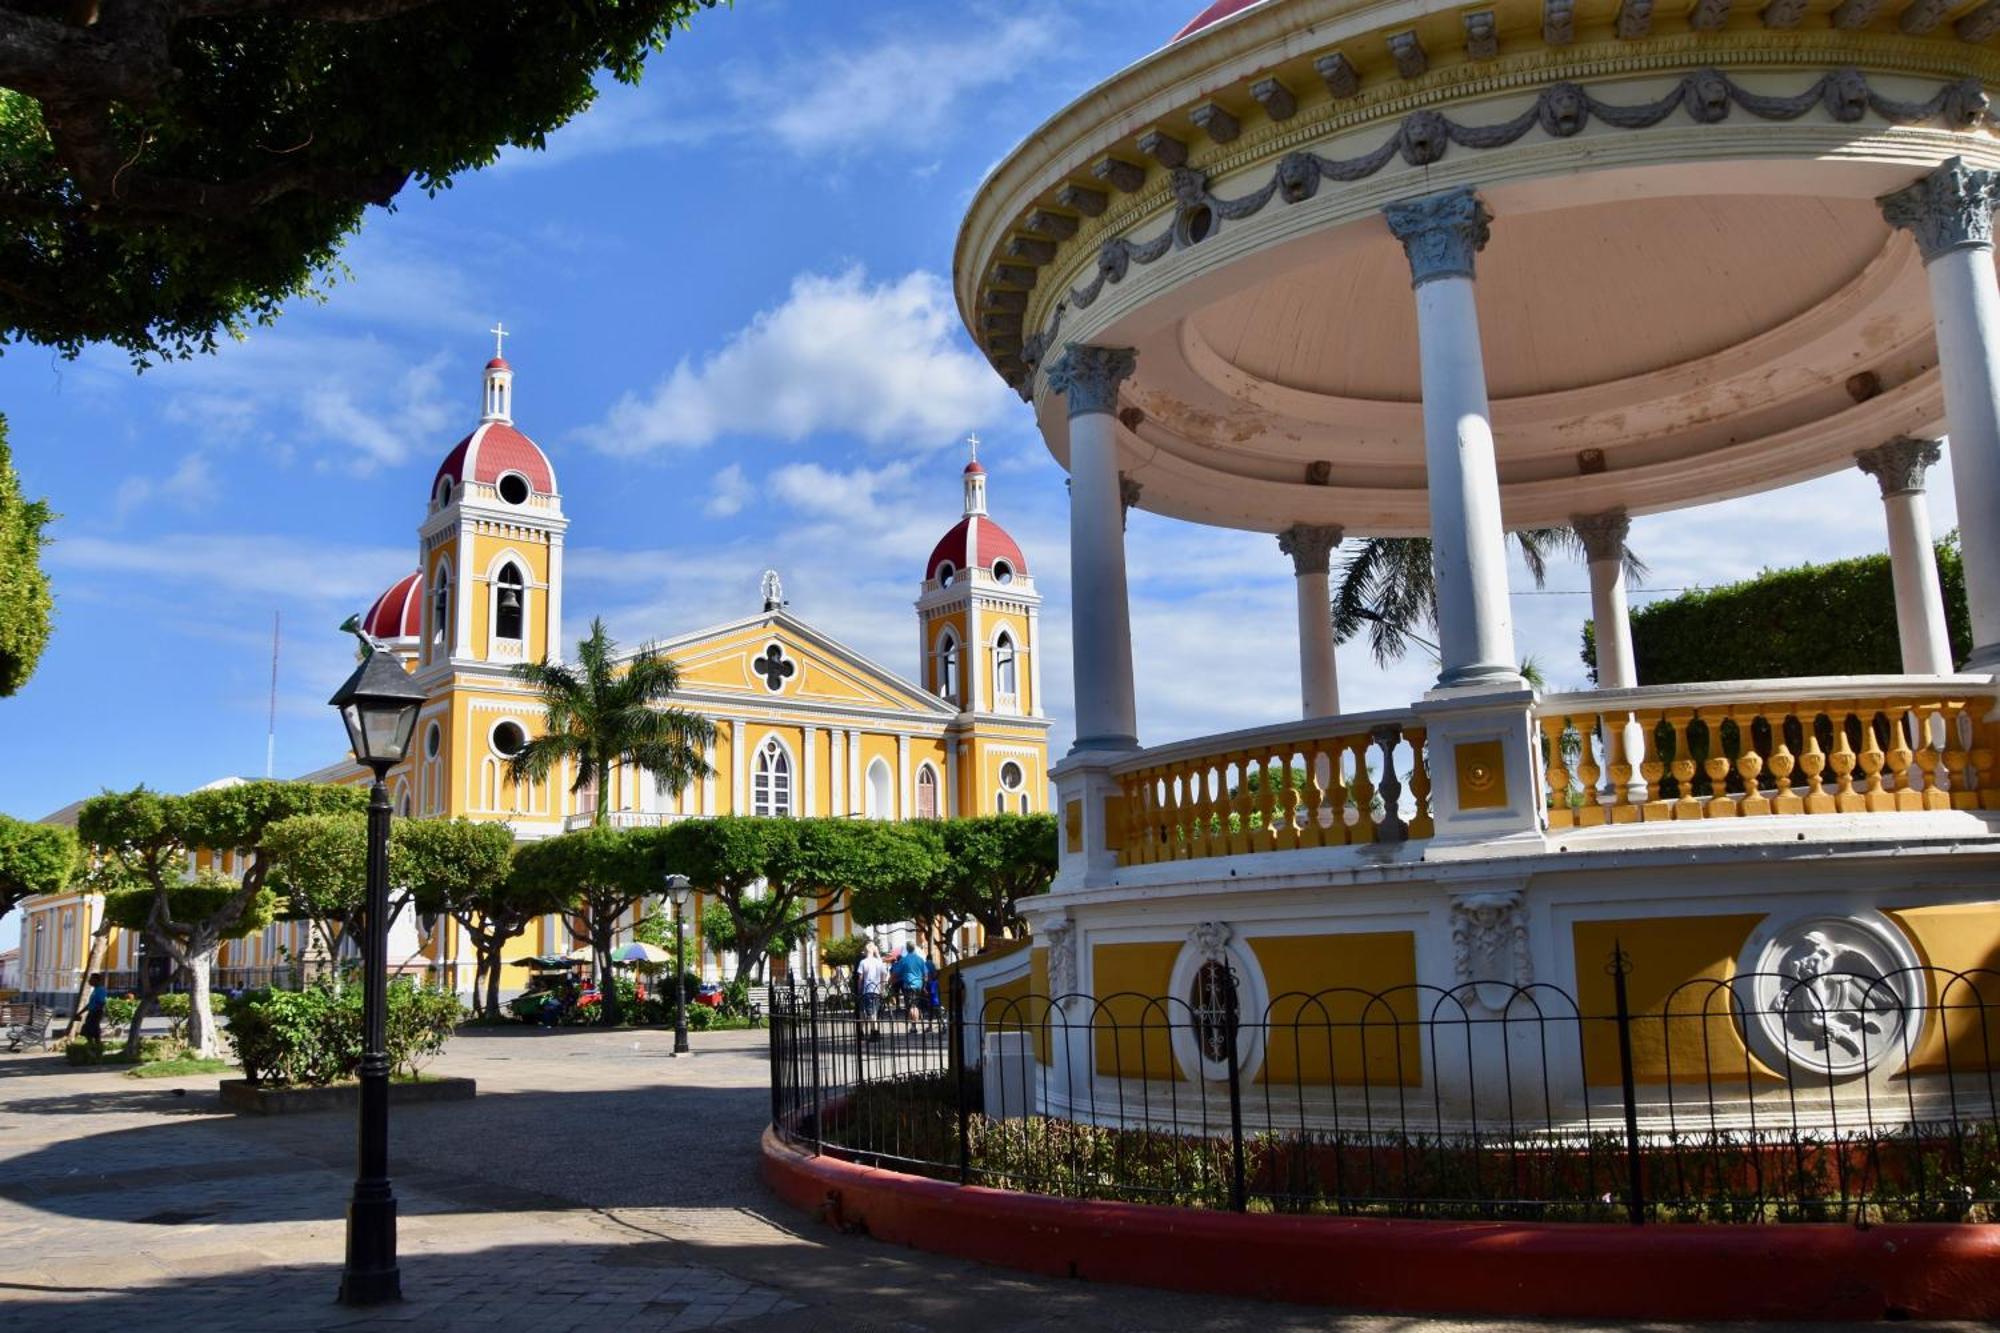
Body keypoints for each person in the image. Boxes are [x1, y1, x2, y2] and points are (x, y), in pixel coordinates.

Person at [857, 944, 889, 1041]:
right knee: (873, 1012)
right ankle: (871, 1032)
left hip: (867, 990)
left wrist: (859, 990)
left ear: (866, 951)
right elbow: (884, 975)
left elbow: (860, 978)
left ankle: (874, 1033)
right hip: (877, 990)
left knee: (870, 1013)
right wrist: (882, 989)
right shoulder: (879, 962)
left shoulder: (863, 962)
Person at [892, 943, 928, 1029]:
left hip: (908, 986)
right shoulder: (920, 960)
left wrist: (890, 982)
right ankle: (914, 1025)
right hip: (918, 985)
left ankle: (913, 1026)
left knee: (911, 1006)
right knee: (916, 1005)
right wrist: (924, 986)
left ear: (907, 949)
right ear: (914, 948)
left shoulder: (903, 960)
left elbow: (895, 973)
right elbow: (926, 974)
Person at [80, 972, 107, 1044]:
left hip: (96, 1013)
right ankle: (92, 1046)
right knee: (87, 1031)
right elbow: (90, 1004)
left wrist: (95, 1013)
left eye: (91, 979)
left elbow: (101, 1003)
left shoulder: (101, 990)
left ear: (96, 980)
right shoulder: (95, 990)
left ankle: (96, 1047)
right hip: (92, 1012)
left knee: (92, 1031)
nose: (89, 981)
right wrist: (80, 1013)